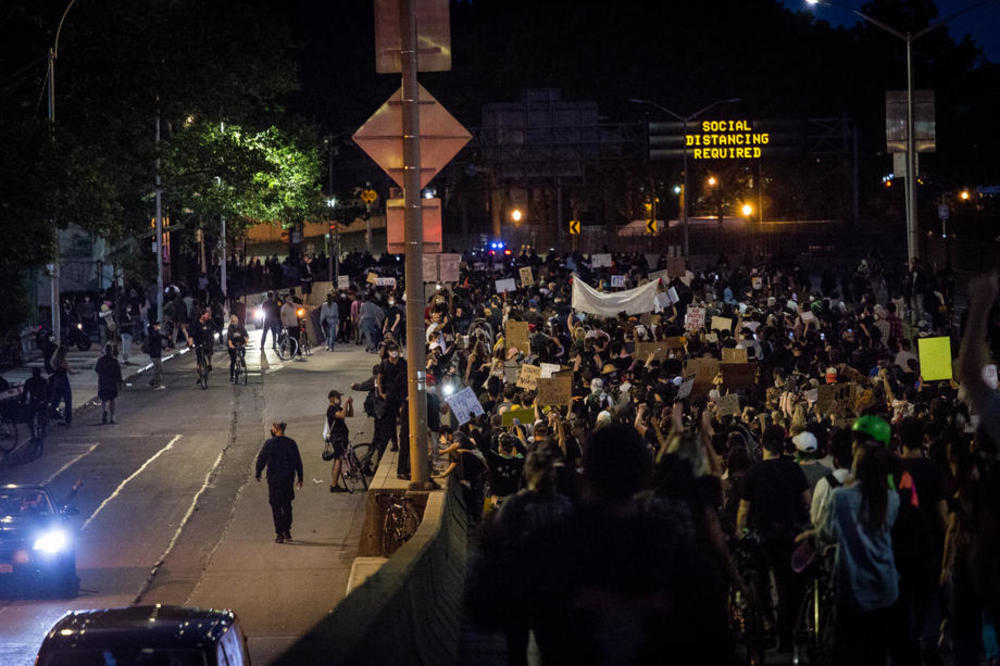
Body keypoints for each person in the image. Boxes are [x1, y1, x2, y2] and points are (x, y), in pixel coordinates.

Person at [822, 416, 901, 665]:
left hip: (852, 589)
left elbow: (829, 533)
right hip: (885, 588)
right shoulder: (892, 498)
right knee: (877, 654)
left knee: (849, 652)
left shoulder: (840, 497)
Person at [736, 424, 810, 653]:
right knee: (790, 587)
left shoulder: (753, 473)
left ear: (763, 445)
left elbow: (743, 511)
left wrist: (741, 533)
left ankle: (766, 621)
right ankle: (787, 632)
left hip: (762, 536)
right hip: (790, 535)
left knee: (759, 582)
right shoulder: (793, 469)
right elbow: (806, 501)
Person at [255, 421, 303, 543]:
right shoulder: (291, 443)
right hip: (287, 479)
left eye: (272, 428)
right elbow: (298, 461)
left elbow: (261, 459)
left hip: (274, 480)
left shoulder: (269, 444)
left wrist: (258, 472)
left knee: (276, 506)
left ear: (276, 429)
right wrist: (300, 477)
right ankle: (287, 530)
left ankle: (279, 533)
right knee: (287, 505)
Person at [324, 390, 354, 493]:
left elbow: (349, 414)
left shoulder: (337, 408)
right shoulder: (331, 409)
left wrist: (350, 404)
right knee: (338, 459)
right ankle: (334, 484)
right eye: (338, 397)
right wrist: (346, 404)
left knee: (337, 459)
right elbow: (341, 415)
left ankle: (334, 483)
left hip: (341, 437)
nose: (340, 399)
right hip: (337, 438)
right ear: (332, 398)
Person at [95, 344, 123, 424]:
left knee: (103, 399)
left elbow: (96, 370)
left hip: (103, 382)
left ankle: (104, 410)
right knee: (112, 399)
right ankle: (112, 417)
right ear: (111, 351)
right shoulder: (114, 361)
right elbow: (118, 373)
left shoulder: (100, 360)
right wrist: (120, 382)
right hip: (112, 382)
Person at [187, 309, 215, 382]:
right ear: (202, 315)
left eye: (209, 315)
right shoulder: (196, 324)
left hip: (208, 341)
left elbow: (215, 327)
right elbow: (191, 335)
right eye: (206, 315)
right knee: (199, 359)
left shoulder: (209, 322)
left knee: (209, 352)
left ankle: (209, 364)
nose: (207, 316)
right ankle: (199, 376)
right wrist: (190, 345)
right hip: (199, 342)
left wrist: (210, 320)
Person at [226, 314, 248, 382]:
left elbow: (246, 335)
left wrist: (246, 343)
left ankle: (242, 365)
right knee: (233, 360)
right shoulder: (230, 328)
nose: (235, 323)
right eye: (234, 321)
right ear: (231, 322)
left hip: (240, 343)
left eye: (236, 321)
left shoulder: (241, 326)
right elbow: (229, 338)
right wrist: (231, 345)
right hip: (232, 344)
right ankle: (232, 375)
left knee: (242, 355)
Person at [146, 320, 167, 390]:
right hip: (154, 354)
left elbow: (159, 343)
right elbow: (157, 338)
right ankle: (157, 384)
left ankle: (152, 382)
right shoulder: (153, 334)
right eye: (157, 325)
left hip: (156, 353)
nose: (159, 326)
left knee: (157, 369)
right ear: (154, 326)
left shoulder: (155, 333)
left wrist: (164, 347)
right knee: (159, 369)